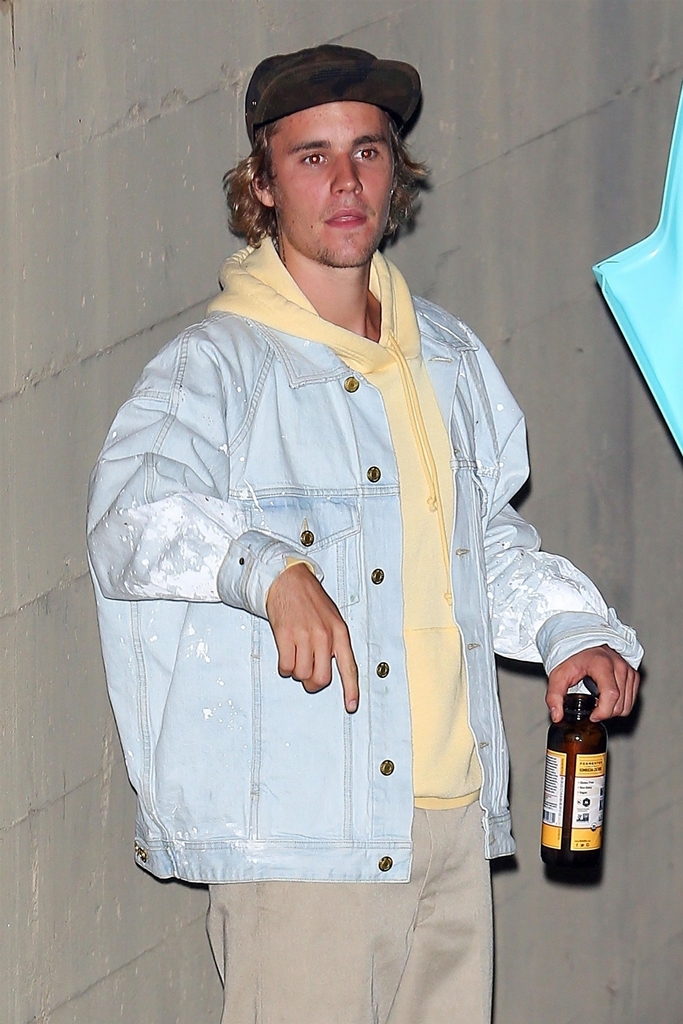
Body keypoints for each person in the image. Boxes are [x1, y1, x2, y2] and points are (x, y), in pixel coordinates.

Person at [87, 44, 642, 1024]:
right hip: (306, 850)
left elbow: (483, 544)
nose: (345, 183)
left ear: (395, 173)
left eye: (367, 152)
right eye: (311, 157)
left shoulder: (446, 358)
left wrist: (571, 629)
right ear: (262, 184)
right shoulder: (215, 368)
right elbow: (131, 522)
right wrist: (269, 571)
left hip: (451, 823)